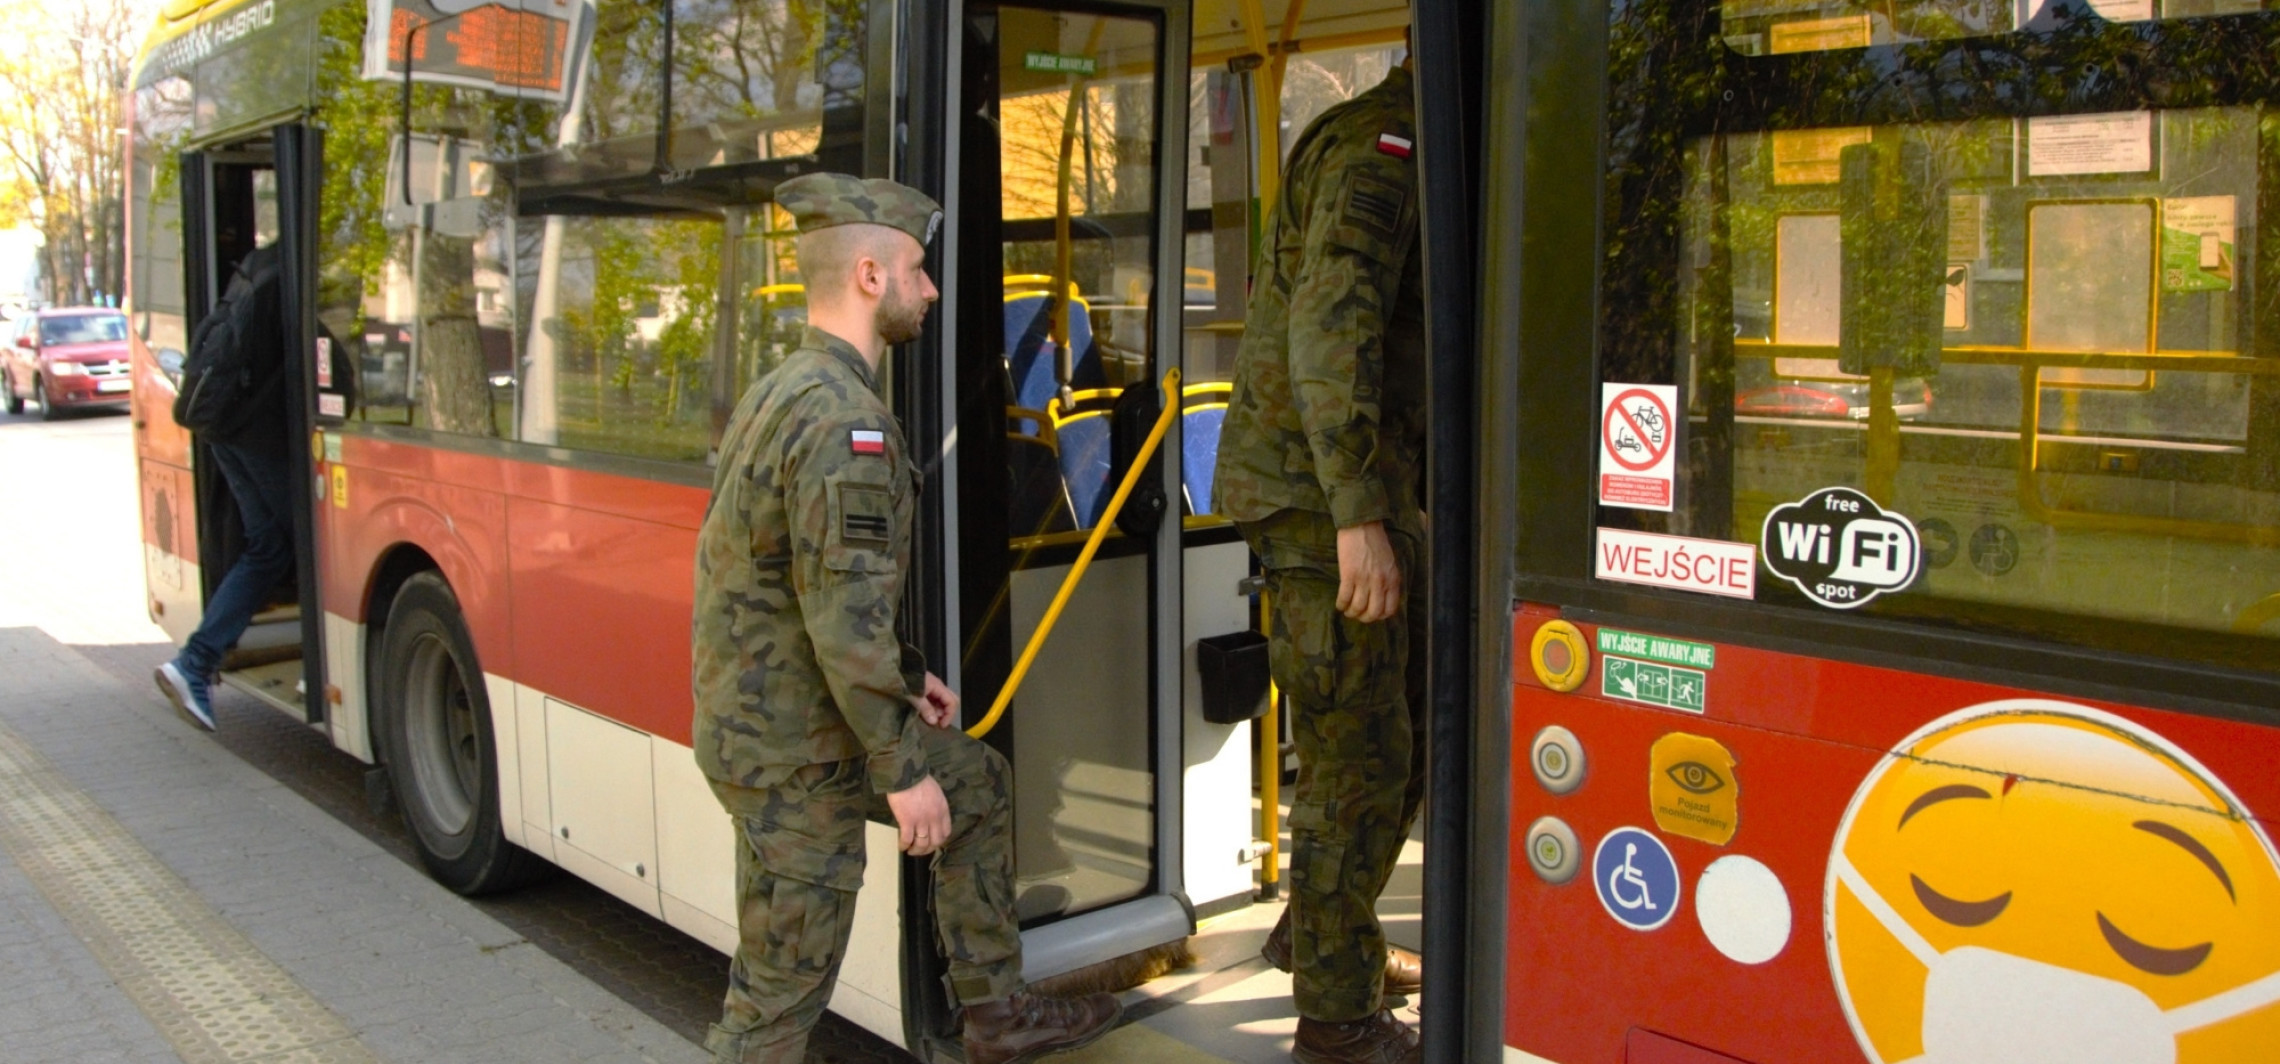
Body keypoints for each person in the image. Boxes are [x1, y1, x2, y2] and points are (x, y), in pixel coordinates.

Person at [690, 172, 1120, 1064]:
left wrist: (908, 673)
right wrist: (896, 767)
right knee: (775, 1002)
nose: (931, 291)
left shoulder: (781, 389)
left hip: (777, 728)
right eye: (919, 271)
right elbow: (841, 612)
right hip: (797, 755)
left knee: (978, 785)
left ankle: (995, 1012)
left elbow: (795, 580)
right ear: (870, 276)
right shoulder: (848, 423)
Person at [1213, 56, 1429, 1064]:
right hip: (1320, 501)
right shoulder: (1386, 147)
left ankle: (1325, 936)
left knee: (1394, 750)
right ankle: (1337, 1018)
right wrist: (1358, 511)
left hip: (1344, 492)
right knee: (1358, 764)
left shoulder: (1391, 135)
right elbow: (1331, 325)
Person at [155, 242, 292, 732]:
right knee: (311, 537)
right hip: (253, 435)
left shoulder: (258, 267)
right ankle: (196, 662)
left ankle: (194, 663)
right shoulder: (300, 269)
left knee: (269, 546)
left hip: (223, 428)